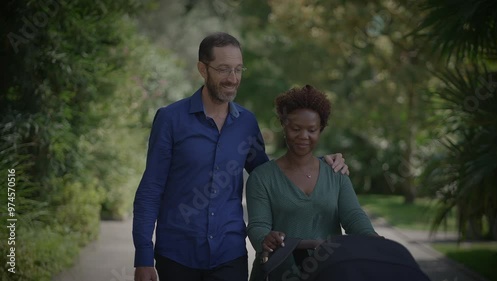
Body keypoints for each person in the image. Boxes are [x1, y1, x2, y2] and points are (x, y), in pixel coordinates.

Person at [132, 32, 349, 281]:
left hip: (229, 256)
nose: (233, 79)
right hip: (177, 257)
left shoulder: (246, 122)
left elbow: (270, 174)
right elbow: (150, 190)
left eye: (238, 69)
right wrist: (143, 257)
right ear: (203, 69)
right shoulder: (170, 119)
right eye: (224, 70)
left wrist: (319, 164)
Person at [246, 85, 378, 281]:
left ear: (321, 130)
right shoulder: (262, 177)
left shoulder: (335, 173)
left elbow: (353, 216)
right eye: (296, 128)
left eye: (312, 130)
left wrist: (372, 239)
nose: (303, 136)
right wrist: (266, 238)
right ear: (284, 125)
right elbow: (258, 226)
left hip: (328, 273)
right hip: (278, 274)